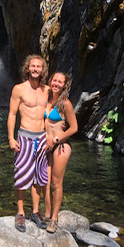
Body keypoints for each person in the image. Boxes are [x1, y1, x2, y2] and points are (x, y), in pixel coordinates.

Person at [7, 54, 50, 232]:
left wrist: (53, 135)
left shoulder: (47, 90)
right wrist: (11, 138)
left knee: (38, 178)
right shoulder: (19, 89)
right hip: (24, 136)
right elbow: (12, 114)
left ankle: (35, 212)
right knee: (22, 175)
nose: (35, 69)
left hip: (41, 137)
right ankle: (20, 213)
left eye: (38, 66)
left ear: (42, 70)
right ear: (27, 68)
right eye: (32, 66)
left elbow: (52, 113)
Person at [41, 70, 78, 233]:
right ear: (50, 81)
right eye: (54, 80)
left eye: (60, 82)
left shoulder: (65, 104)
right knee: (45, 182)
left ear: (65, 85)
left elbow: (74, 128)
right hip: (45, 146)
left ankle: (54, 219)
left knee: (56, 182)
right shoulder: (46, 100)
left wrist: (56, 139)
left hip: (60, 146)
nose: (56, 84)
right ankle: (47, 213)